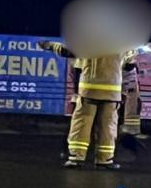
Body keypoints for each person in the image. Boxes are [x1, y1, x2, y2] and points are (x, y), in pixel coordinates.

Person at [42, 41, 135, 169]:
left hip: (89, 89)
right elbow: (130, 66)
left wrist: (50, 46)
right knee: (108, 126)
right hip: (112, 91)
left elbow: (68, 51)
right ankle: (104, 160)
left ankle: (76, 158)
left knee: (81, 124)